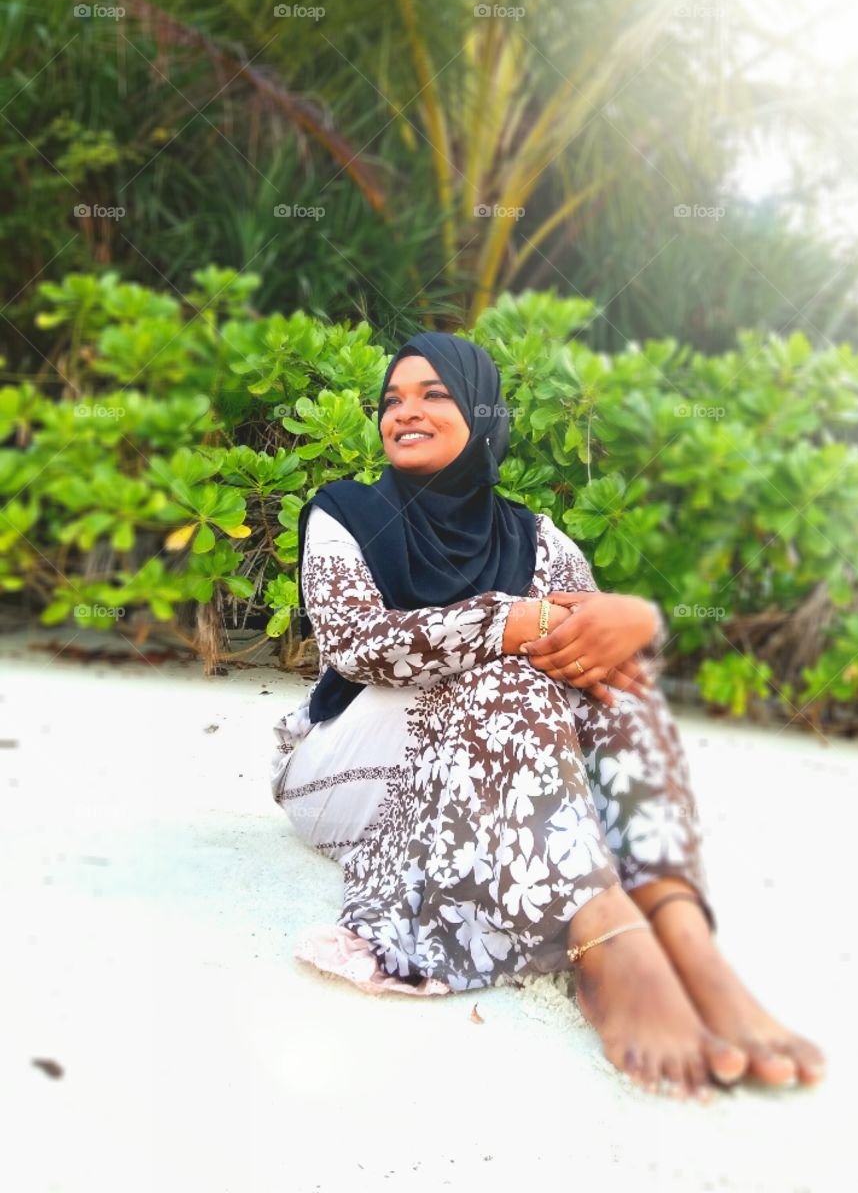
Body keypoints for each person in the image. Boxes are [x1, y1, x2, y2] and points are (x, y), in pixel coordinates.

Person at [269, 331, 826, 1103]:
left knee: (613, 691)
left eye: (434, 393)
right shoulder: (345, 512)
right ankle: (607, 948)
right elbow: (357, 645)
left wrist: (627, 615)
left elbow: (597, 650)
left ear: (482, 412)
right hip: (350, 764)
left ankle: (686, 939)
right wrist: (508, 623)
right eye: (392, 400)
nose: (405, 412)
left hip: (486, 773)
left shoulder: (535, 536)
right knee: (515, 679)